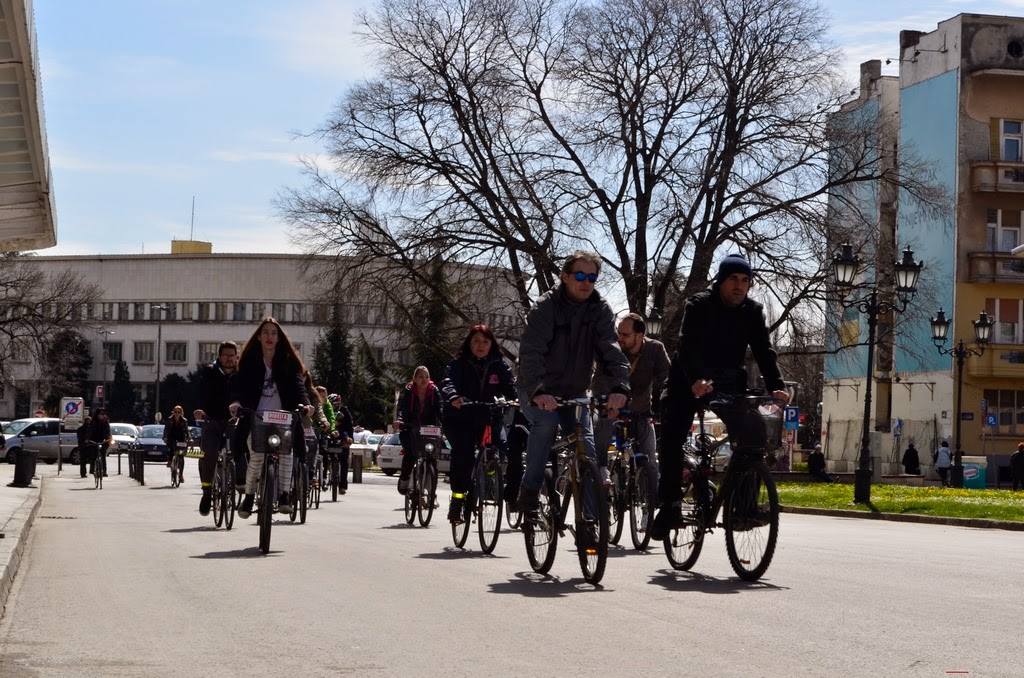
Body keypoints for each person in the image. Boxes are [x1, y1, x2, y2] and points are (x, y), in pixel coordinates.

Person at [651, 253, 790, 540]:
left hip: (727, 381)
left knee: (754, 433)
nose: (739, 286)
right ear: (721, 281)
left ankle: (743, 508)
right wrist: (695, 381)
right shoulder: (699, 305)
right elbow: (685, 347)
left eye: (745, 281)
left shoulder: (752, 312)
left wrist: (777, 385)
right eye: (733, 280)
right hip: (687, 379)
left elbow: (764, 351)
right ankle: (670, 504)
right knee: (672, 437)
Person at [516, 250, 630, 511]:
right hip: (536, 388)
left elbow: (611, 351)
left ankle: (590, 522)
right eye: (580, 275)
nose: (586, 282)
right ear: (565, 277)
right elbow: (531, 352)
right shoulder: (545, 307)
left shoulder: (600, 310)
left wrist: (620, 386)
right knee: (546, 422)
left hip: (574, 392)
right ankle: (530, 489)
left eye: (592, 277)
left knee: (587, 451)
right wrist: (537, 390)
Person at [229, 317, 314, 519]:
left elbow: (298, 385)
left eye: (274, 333)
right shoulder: (249, 361)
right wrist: (236, 403)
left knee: (287, 452)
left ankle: (284, 495)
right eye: (265, 332)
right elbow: (238, 386)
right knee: (257, 455)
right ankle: (249, 497)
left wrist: (306, 404)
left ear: (279, 338)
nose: (270, 336)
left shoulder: (288, 361)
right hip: (256, 418)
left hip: (283, 419)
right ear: (258, 337)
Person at [440, 324, 517, 523]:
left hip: (489, 416)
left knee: (500, 446)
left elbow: (510, 386)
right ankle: (457, 501)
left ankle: (490, 476)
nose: (480, 345)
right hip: (461, 417)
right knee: (463, 454)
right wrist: (454, 397)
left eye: (485, 341)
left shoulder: (499, 365)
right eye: (476, 341)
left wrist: (516, 400)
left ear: (491, 344)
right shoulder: (459, 363)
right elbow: (448, 382)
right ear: (469, 343)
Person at [592, 312, 669, 492]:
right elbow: (599, 380)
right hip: (611, 409)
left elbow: (667, 378)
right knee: (600, 437)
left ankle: (648, 508)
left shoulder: (655, 349)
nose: (619, 338)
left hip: (640, 412)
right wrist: (606, 404)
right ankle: (601, 472)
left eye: (625, 335)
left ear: (640, 336)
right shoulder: (611, 349)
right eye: (618, 332)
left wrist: (667, 403)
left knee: (650, 458)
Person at [193, 340, 238, 516]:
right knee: (209, 454)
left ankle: (241, 484)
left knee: (242, 450)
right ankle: (206, 493)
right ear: (219, 357)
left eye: (231, 355)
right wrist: (199, 409)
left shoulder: (241, 375)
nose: (228, 359)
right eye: (225, 355)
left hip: (234, 421)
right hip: (212, 419)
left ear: (236, 357)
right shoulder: (210, 372)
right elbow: (199, 393)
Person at [394, 366, 443, 495]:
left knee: (432, 458)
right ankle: (404, 479)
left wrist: (446, 425)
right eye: (420, 376)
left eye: (426, 377)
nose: (424, 380)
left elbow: (440, 411)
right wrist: (400, 421)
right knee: (410, 453)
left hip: (429, 429)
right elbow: (403, 409)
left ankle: (432, 493)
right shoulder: (409, 391)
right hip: (410, 427)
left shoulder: (434, 391)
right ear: (414, 379)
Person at [327, 393, 354, 494]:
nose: (333, 406)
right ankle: (324, 477)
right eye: (332, 404)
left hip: (343, 436)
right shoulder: (327, 409)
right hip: (329, 434)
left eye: (335, 404)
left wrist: (349, 439)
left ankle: (342, 486)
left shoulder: (344, 411)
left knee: (344, 461)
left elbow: (350, 426)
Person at [163, 405, 190, 484]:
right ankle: (170, 461)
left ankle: (181, 475)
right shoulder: (170, 419)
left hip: (181, 437)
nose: (177, 414)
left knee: (181, 456)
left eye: (179, 412)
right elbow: (166, 429)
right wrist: (165, 437)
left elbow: (187, 431)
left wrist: (189, 438)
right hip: (172, 437)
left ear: (181, 413)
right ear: (173, 412)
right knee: (173, 447)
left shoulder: (184, 420)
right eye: (175, 412)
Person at [88, 409, 113, 478]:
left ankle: (104, 471)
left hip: (104, 440)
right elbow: (90, 431)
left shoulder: (106, 422)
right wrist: (88, 439)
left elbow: (108, 431)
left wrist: (109, 438)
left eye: (104, 414)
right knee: (94, 454)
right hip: (94, 439)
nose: (103, 415)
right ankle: (92, 469)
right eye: (101, 414)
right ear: (97, 414)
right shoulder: (93, 421)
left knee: (103, 455)